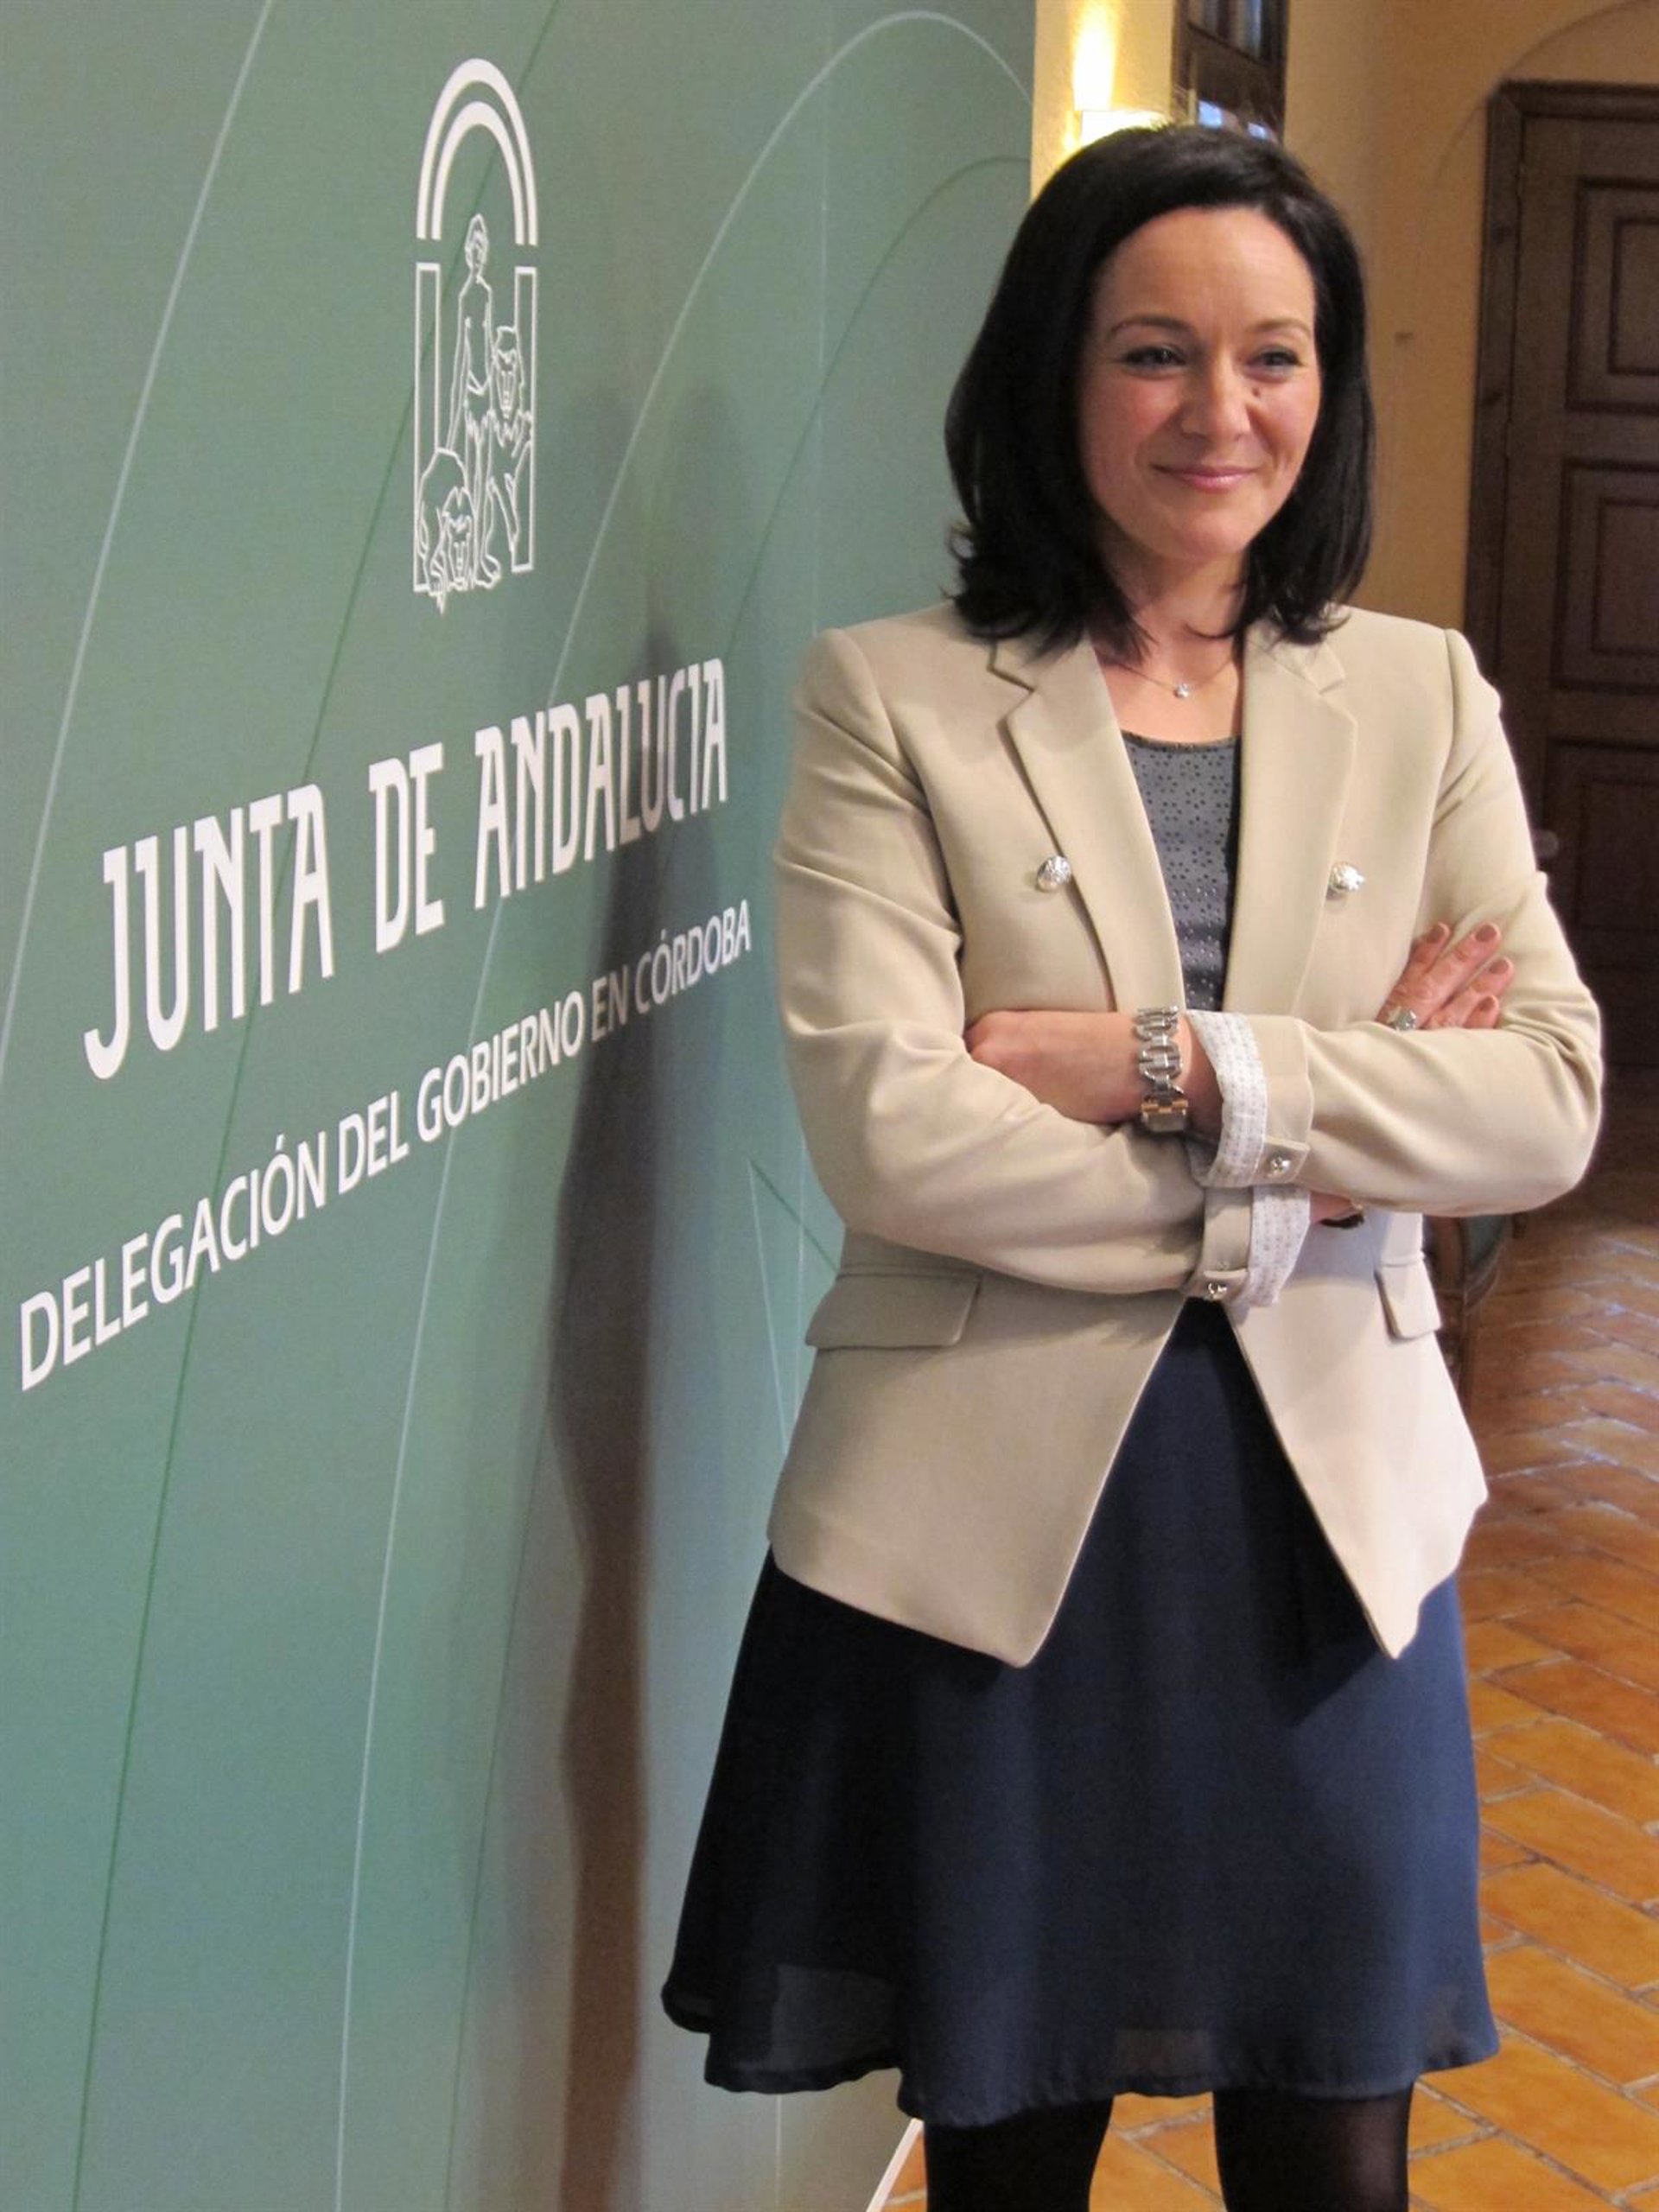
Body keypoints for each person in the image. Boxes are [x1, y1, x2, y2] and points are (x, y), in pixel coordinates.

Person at [662, 125, 1600, 2212]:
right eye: (1156, 351)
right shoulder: (892, 697)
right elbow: (898, 1133)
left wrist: (1158, 1064)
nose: (1221, 411)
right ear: (1054, 372)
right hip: (986, 1527)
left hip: (1334, 1527)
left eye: (1276, 356)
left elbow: (1542, 1102)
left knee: (1337, 2154)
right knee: (1009, 2149)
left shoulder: (1421, 693)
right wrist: (1328, 1149)